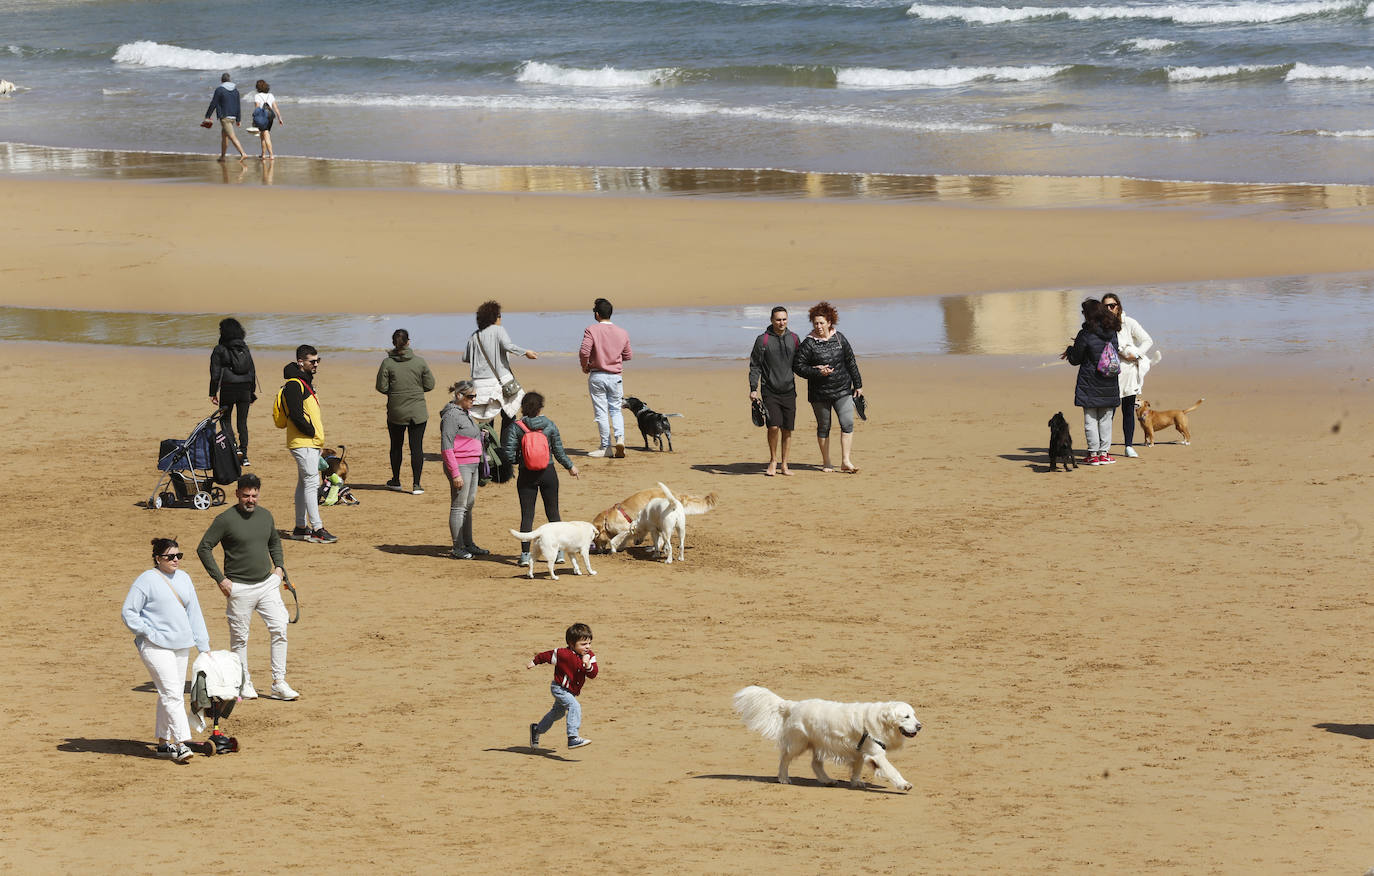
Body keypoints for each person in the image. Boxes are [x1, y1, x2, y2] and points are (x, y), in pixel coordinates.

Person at [196, 473, 298, 700]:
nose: (250, 500)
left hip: (267, 584)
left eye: (254, 495)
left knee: (280, 629)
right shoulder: (225, 519)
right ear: (237, 494)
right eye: (245, 496)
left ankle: (279, 682)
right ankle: (243, 682)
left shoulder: (266, 516)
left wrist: (279, 567)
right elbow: (204, 548)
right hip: (239, 588)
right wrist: (220, 580)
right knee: (240, 638)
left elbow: (274, 542)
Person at [122, 537, 212, 764]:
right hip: (155, 647)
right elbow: (128, 612)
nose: (175, 560)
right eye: (170, 556)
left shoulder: (184, 578)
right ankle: (181, 743)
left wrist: (204, 646)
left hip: (181, 645)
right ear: (157, 558)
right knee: (172, 694)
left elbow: (195, 613)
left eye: (178, 556)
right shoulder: (146, 580)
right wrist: (147, 632)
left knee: (168, 692)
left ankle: (163, 744)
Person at [502, 391, 580, 566]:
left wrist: (522, 460)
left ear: (523, 408)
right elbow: (559, 451)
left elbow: (508, 454)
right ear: (540, 408)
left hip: (526, 474)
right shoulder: (550, 425)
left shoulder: (517, 427)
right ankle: (559, 553)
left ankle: (524, 555)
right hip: (548, 473)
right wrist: (570, 467)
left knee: (527, 515)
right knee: (553, 513)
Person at [465, 300, 537, 479]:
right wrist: (525, 352)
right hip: (499, 382)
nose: (501, 319)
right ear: (494, 317)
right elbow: (508, 346)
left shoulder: (474, 336)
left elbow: (467, 357)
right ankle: (504, 453)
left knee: (486, 421)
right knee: (509, 416)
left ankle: (488, 453)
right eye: (499, 316)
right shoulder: (498, 331)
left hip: (478, 384)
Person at [792, 301, 864, 474]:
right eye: (815, 323)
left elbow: (851, 362)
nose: (818, 326)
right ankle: (826, 461)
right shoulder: (808, 343)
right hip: (819, 393)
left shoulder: (840, 338)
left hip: (842, 390)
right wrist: (817, 371)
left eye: (821, 322)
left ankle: (846, 460)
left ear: (829, 322)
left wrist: (858, 385)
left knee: (847, 423)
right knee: (824, 426)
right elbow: (798, 366)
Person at [280, 344, 336, 543]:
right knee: (312, 483)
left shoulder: (305, 382)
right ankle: (317, 528)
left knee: (304, 483)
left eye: (317, 360)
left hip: (309, 442)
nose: (316, 364)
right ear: (301, 362)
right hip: (303, 442)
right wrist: (310, 431)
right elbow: (295, 414)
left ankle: (300, 527)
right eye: (312, 361)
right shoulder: (295, 384)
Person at [375, 328, 435, 495]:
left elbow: (381, 386)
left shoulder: (387, 363)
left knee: (396, 447)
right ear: (408, 342)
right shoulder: (420, 362)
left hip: (396, 411)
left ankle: (396, 480)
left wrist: (395, 392)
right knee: (417, 448)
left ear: (393, 343)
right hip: (418, 412)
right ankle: (416, 484)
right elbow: (430, 384)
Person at [1062, 298, 1121, 466]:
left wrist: (1069, 350)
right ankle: (1104, 454)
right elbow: (1114, 353)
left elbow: (1076, 359)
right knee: (1106, 419)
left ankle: (1093, 454)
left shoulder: (1086, 334)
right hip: (1109, 379)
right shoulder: (1112, 332)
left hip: (1089, 381)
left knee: (1090, 419)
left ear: (1088, 315)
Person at [526, 622, 598, 750]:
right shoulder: (562, 654)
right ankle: (573, 738)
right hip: (559, 688)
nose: (587, 647)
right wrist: (534, 662)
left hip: (571, 691)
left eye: (589, 643)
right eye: (583, 644)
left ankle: (537, 729)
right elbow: (545, 656)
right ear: (571, 644)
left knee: (558, 713)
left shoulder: (590, 656)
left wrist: (587, 665)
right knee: (574, 706)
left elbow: (593, 674)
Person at [1101, 293, 1156, 459]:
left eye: (1112, 305)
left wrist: (1136, 355)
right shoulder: (1101, 326)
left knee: (1128, 412)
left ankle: (1128, 446)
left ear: (1118, 306)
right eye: (1105, 306)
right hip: (1110, 374)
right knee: (1108, 413)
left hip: (1130, 374)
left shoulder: (1129, 322)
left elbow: (1147, 340)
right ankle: (1104, 447)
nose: (1109, 309)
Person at [748, 306, 801, 477]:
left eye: (784, 319)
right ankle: (773, 460)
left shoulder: (794, 338)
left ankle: (785, 464)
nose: (781, 322)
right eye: (778, 319)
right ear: (771, 320)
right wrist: (753, 388)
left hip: (789, 390)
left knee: (787, 428)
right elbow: (755, 365)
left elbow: (801, 364)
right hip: (770, 390)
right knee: (773, 426)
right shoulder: (762, 340)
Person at [578, 297, 632, 459]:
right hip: (615, 377)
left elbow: (584, 351)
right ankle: (620, 438)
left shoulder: (591, 330)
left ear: (596, 314)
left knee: (601, 412)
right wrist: (614, 356)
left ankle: (606, 446)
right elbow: (628, 355)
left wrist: (585, 366)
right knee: (616, 410)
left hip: (597, 375)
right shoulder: (622, 332)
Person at [440, 380, 486, 559]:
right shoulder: (451, 416)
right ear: (459, 396)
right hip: (461, 466)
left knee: (469, 505)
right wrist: (455, 473)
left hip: (473, 464)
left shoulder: (465, 413)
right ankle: (458, 547)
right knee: (459, 507)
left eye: (475, 396)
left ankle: (469, 544)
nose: (473, 400)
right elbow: (446, 447)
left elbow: (465, 437)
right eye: (470, 397)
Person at [209, 317, 257, 467]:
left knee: (225, 420)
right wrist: (252, 392)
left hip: (228, 387)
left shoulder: (219, 349)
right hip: (245, 388)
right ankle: (245, 454)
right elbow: (252, 370)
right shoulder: (245, 348)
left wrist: (212, 392)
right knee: (242, 422)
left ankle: (234, 449)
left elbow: (215, 373)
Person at [203, 72, 245, 161]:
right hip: (233, 116)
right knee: (224, 136)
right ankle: (222, 157)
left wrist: (207, 116)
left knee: (232, 136)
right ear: (229, 80)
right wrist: (238, 119)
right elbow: (238, 105)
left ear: (221, 80)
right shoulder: (236, 90)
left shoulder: (219, 90)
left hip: (225, 117)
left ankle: (243, 153)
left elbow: (213, 103)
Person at [250, 79, 284, 160]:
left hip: (262, 117)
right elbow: (276, 108)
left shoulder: (257, 96)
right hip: (271, 116)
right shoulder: (271, 95)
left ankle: (271, 154)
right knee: (263, 135)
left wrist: (255, 119)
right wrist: (280, 118)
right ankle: (263, 154)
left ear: (257, 88)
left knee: (265, 135)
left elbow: (257, 108)